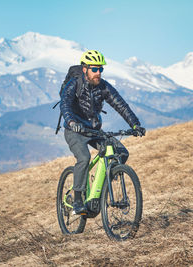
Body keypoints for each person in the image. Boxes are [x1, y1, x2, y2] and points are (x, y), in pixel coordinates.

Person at [60, 50, 146, 214]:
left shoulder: (103, 86)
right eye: (94, 69)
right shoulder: (74, 84)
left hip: (93, 130)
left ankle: (103, 187)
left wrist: (135, 124)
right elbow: (65, 104)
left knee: (120, 152)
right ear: (85, 69)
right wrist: (72, 122)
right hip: (75, 130)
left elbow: (120, 105)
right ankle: (78, 200)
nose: (98, 72)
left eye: (100, 69)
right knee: (84, 158)